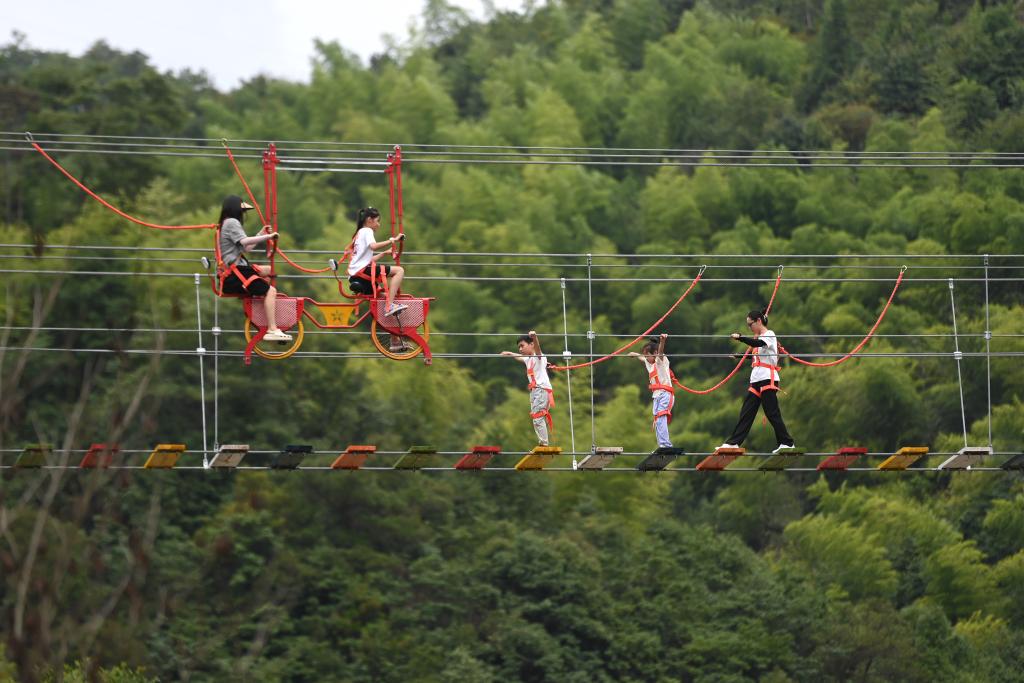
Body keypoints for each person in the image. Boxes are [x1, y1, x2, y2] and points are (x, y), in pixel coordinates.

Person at [719, 308, 795, 453]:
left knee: (772, 412)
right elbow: (758, 355)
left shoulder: (769, 335)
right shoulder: (759, 339)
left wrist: (740, 338)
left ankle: (787, 443)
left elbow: (759, 345)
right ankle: (734, 442)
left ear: (758, 321)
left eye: (750, 324)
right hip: (757, 380)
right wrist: (740, 356)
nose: (750, 327)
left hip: (767, 378)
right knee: (746, 412)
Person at [218, 195, 292, 342]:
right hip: (235, 274)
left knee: (268, 270)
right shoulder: (231, 222)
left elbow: (246, 248)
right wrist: (268, 237)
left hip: (237, 271)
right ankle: (272, 328)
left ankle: (264, 302)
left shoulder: (226, 223)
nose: (243, 214)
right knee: (271, 291)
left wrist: (261, 234)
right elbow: (245, 241)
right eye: (242, 211)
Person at [347, 207, 407, 317]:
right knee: (399, 271)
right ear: (369, 219)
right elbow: (373, 246)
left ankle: (389, 309)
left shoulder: (359, 233)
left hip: (355, 276)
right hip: (362, 272)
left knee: (383, 295)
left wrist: (384, 253)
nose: (378, 224)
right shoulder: (367, 231)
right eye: (377, 221)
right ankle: (390, 306)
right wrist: (393, 240)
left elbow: (367, 260)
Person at [501, 331, 554, 446]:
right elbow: (519, 357)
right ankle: (543, 442)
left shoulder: (539, 357)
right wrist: (510, 353)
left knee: (538, 416)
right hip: (535, 391)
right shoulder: (528, 359)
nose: (520, 349)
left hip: (541, 390)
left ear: (531, 345)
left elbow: (538, 348)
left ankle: (544, 443)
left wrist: (535, 337)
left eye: (522, 346)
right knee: (536, 417)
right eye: (519, 347)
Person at [628, 333, 675, 450]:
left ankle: (666, 444)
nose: (645, 358)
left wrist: (662, 341)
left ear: (654, 354)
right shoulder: (650, 365)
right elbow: (642, 359)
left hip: (665, 394)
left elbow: (660, 352)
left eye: (647, 355)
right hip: (657, 396)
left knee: (661, 418)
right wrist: (635, 354)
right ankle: (662, 445)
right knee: (657, 421)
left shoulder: (661, 362)